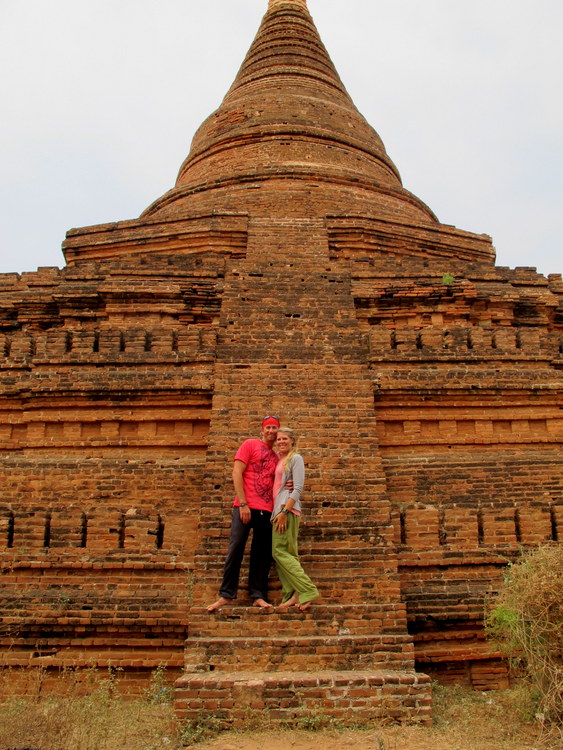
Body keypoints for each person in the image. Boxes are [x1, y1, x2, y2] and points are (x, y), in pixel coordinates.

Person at [207, 416, 281, 612]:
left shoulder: (277, 457)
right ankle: (226, 595)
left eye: (275, 428)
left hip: (267, 510)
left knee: (262, 554)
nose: (271, 431)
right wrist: (243, 503)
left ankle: (258, 595)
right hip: (245, 507)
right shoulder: (250, 445)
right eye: (268, 427)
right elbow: (237, 472)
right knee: (236, 547)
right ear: (262, 430)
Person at [271, 427, 319, 611]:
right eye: (278, 439)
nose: (281, 441)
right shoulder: (280, 459)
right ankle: (292, 593)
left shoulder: (296, 458)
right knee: (286, 553)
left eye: (284, 439)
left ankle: (307, 589)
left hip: (287, 510)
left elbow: (297, 488)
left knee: (279, 551)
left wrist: (284, 511)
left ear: (292, 440)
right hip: (278, 509)